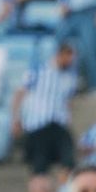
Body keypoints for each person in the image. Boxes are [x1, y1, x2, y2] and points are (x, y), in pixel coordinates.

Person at [12, 41, 78, 175]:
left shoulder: (70, 76)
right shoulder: (38, 70)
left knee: (68, 159)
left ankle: (65, 189)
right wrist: (16, 119)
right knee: (40, 163)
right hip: (38, 123)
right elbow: (20, 94)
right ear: (60, 55)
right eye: (68, 58)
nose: (70, 62)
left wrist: (68, 118)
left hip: (59, 123)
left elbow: (67, 101)